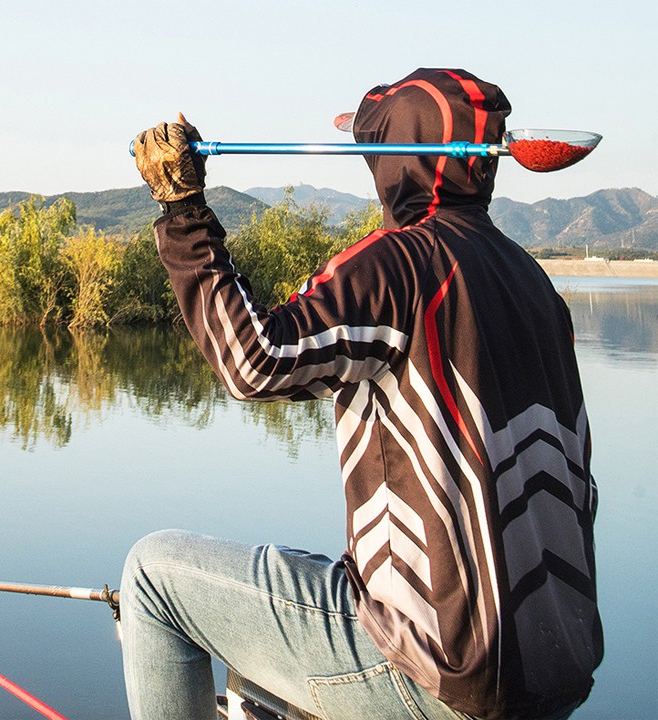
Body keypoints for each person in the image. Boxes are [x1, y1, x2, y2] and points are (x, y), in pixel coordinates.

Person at [121, 67, 603, 720]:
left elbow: (251, 361)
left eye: (374, 149)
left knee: (153, 576)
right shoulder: (534, 285)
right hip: (548, 684)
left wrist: (181, 212)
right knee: (311, 573)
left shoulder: (396, 265)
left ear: (400, 162)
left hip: (437, 681)